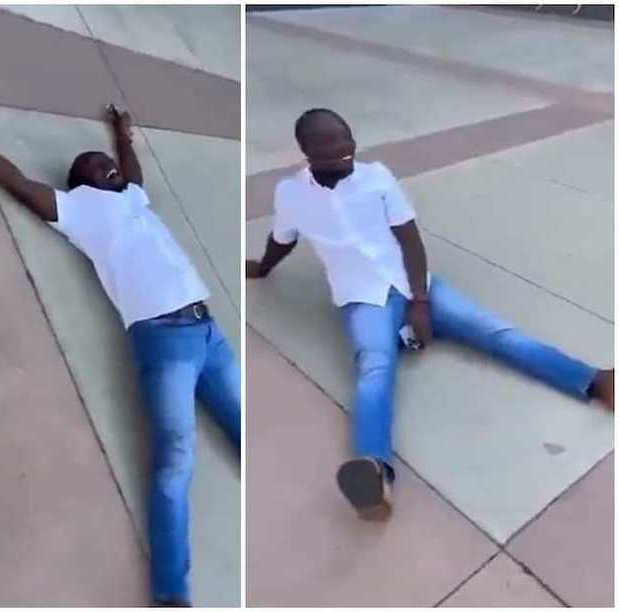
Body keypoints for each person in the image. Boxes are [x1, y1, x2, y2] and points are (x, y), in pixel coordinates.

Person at [0, 95, 240, 606]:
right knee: (175, 461)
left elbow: (130, 170)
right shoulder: (78, 212)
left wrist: (122, 137)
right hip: (163, 338)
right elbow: (17, 182)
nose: (104, 165)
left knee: (243, 426)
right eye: (92, 165)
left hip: (209, 331)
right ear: (79, 183)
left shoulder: (133, 196)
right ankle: (172, 596)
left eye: (106, 163)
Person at [245, 107, 614, 521]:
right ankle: (374, 471)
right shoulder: (290, 194)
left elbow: (411, 242)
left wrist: (419, 303)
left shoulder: (377, 178)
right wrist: (263, 266)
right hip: (362, 300)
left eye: (346, 137)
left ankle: (594, 380)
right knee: (373, 368)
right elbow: (283, 239)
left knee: (495, 332)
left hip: (416, 285)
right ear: (305, 149)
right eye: (329, 141)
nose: (343, 147)